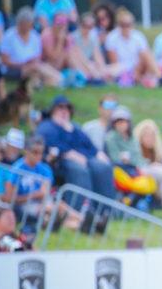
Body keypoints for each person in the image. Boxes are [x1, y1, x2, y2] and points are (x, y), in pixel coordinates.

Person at [35, 95, 117, 224]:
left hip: (85, 159)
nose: (64, 111)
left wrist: (99, 154)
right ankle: (78, 211)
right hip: (60, 163)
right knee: (79, 170)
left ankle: (105, 211)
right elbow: (49, 147)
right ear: (53, 110)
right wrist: (68, 153)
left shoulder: (74, 128)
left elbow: (90, 146)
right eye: (60, 108)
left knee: (103, 168)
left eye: (67, 108)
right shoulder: (48, 126)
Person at [4, 135, 81, 232]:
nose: (38, 156)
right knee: (49, 208)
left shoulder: (45, 169)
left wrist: (40, 195)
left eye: (41, 153)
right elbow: (9, 198)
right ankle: (80, 223)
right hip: (23, 206)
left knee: (58, 204)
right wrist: (34, 195)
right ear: (26, 151)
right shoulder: (16, 170)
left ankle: (82, 220)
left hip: (44, 203)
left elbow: (44, 193)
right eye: (35, 152)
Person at [0, 7, 60, 87]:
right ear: (21, 23)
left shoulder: (35, 36)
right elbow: (5, 61)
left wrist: (31, 62)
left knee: (37, 69)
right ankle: (58, 80)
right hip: (13, 69)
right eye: (28, 23)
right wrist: (23, 64)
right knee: (36, 69)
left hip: (33, 66)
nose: (31, 26)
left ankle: (50, 82)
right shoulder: (9, 36)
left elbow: (37, 58)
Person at [104, 7, 160, 87]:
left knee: (147, 55)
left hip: (137, 66)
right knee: (111, 70)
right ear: (119, 25)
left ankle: (158, 76)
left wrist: (137, 69)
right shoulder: (112, 37)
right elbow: (114, 61)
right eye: (123, 25)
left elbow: (144, 55)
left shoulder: (138, 36)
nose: (126, 28)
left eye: (128, 25)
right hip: (120, 67)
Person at [71, 11, 109, 83]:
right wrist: (92, 69)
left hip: (88, 65)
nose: (88, 29)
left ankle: (96, 76)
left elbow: (97, 56)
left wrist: (102, 69)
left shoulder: (93, 38)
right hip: (76, 65)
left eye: (90, 26)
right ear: (80, 25)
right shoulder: (73, 37)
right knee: (89, 65)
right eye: (85, 26)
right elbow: (79, 58)